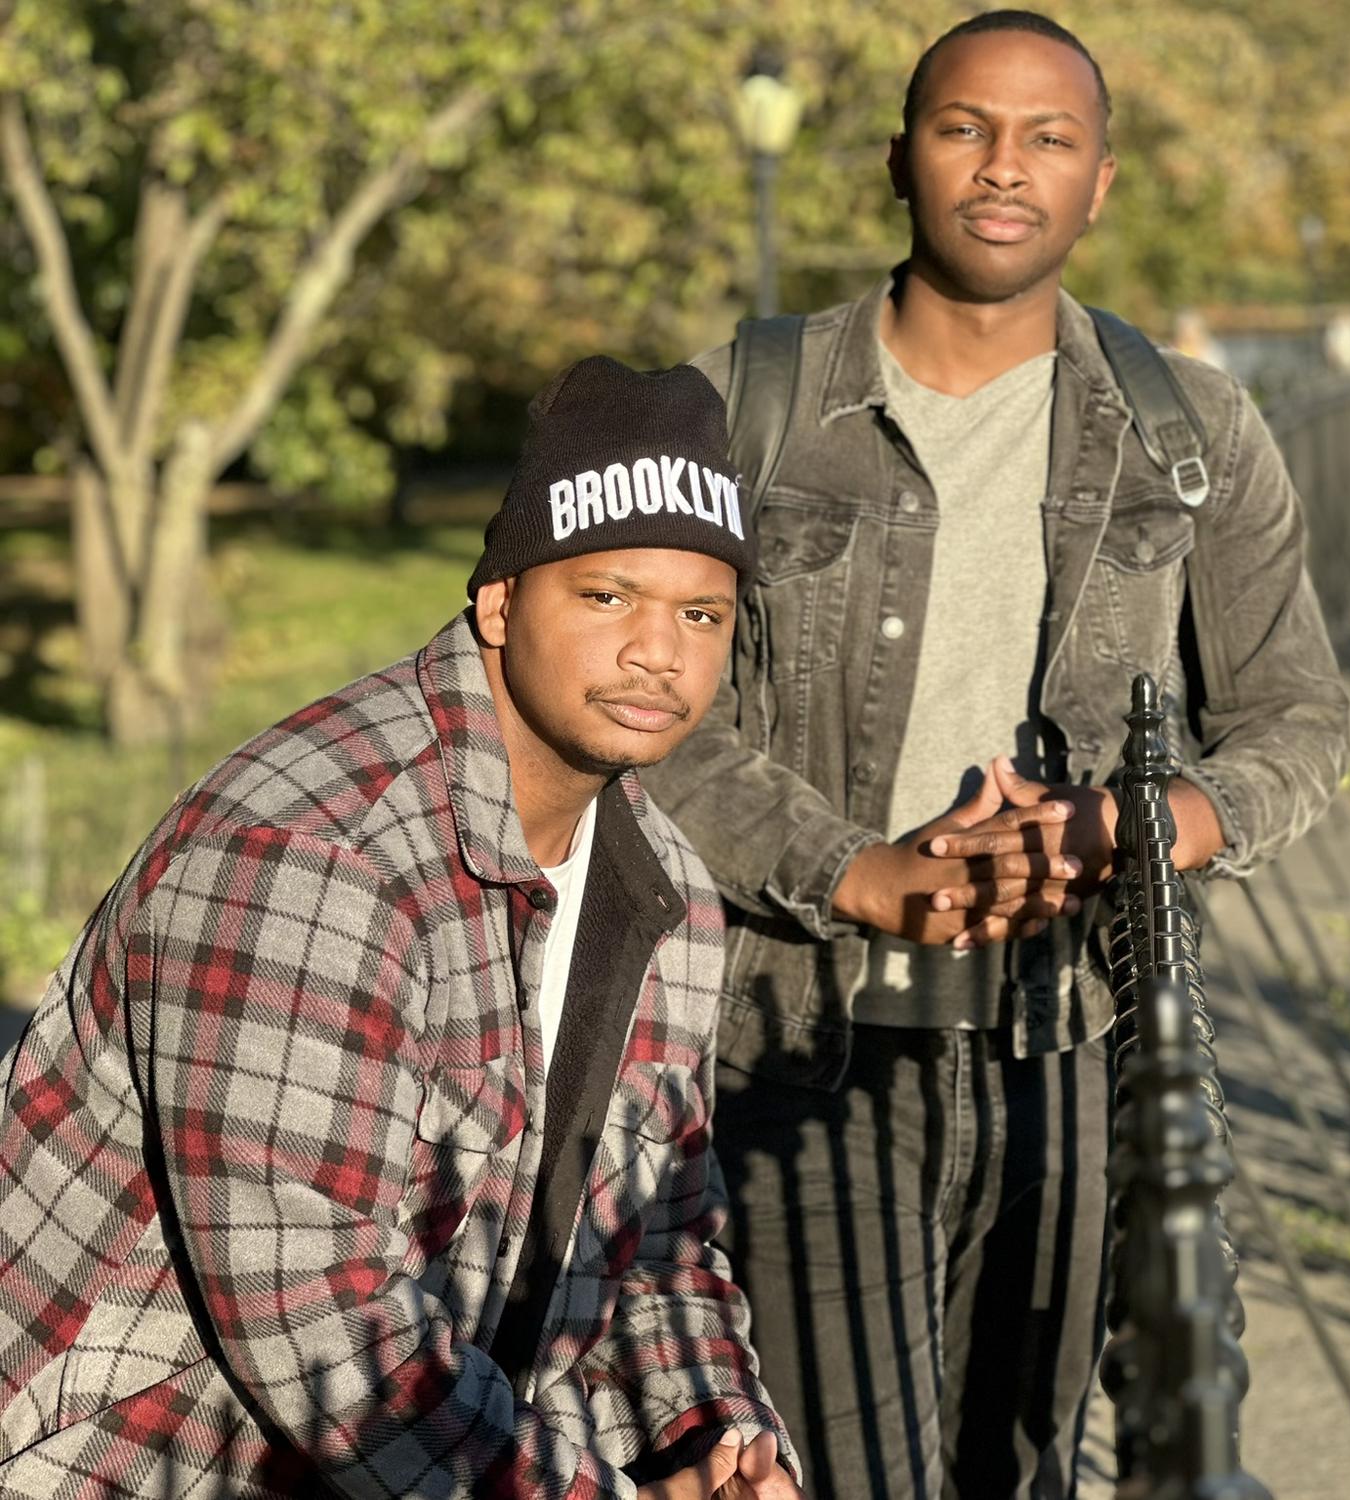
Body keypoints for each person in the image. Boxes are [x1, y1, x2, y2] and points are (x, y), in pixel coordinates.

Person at [641, 11, 1348, 1499]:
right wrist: (855, 874)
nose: (1003, 167)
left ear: (1101, 185)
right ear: (900, 157)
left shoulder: (1190, 434)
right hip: (800, 1049)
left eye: (1049, 138)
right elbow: (650, 720)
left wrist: (1138, 830)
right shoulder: (742, 405)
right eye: (966, 128)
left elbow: (1298, 723)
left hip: (1075, 1045)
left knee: (1020, 1468)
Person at [0, 358, 802, 1500]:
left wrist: (716, 1441)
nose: (657, 653)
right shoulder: (315, 853)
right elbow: (316, 1318)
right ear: (500, 601)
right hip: (131, 1459)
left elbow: (658, 1232)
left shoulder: (666, 890)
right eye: (608, 597)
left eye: (701, 614)